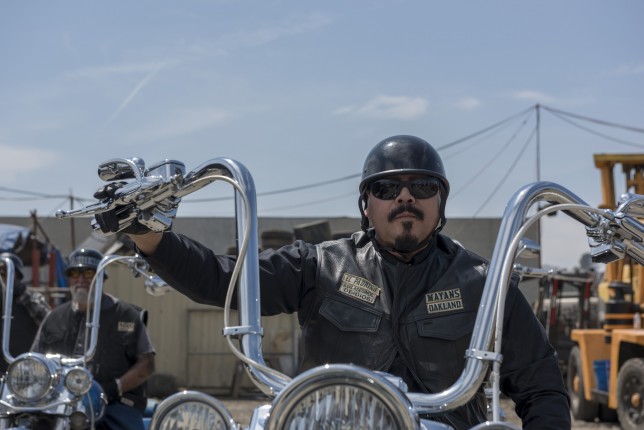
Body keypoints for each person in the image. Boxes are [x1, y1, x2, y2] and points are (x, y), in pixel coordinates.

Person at [95, 135, 570, 429]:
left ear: (440, 202)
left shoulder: (484, 283)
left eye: (423, 186)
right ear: (367, 204)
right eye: (387, 188)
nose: (405, 197)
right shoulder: (320, 265)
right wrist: (149, 234)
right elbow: (223, 279)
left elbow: (541, 388)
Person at [31, 248, 155, 430]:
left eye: (89, 273)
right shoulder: (53, 317)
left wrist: (114, 388)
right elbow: (35, 362)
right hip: (58, 405)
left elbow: (147, 364)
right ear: (69, 278)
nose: (81, 280)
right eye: (75, 273)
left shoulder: (127, 315)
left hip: (115, 404)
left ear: (102, 278)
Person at [0, 252, 51, 373]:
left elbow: (50, 323)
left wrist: (23, 295)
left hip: (24, 370)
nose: (1, 279)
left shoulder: (30, 299)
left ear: (17, 276)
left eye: (5, 274)